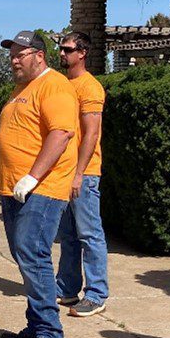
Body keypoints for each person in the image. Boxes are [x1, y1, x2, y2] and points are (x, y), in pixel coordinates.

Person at [0, 30, 79, 338]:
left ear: (38, 55)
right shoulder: (20, 90)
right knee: (25, 256)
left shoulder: (54, 86)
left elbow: (60, 134)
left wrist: (32, 176)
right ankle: (36, 325)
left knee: (33, 254)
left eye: (20, 54)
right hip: (15, 190)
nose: (13, 60)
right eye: (11, 54)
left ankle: (50, 334)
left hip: (43, 188)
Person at [55, 31, 110, 318]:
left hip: (84, 173)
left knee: (90, 234)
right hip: (64, 173)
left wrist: (78, 174)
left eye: (67, 49)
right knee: (68, 235)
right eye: (61, 49)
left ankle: (97, 293)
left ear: (82, 53)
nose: (62, 54)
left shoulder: (90, 87)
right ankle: (66, 287)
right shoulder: (64, 85)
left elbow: (91, 134)